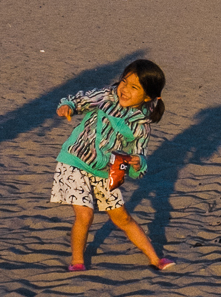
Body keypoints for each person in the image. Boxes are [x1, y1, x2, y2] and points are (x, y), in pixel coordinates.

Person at [53, 60, 172, 272]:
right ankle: (78, 262)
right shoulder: (106, 97)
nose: (124, 89)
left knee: (123, 217)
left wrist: (138, 162)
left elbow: (139, 158)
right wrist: (68, 106)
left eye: (134, 87)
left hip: (107, 170)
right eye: (124, 81)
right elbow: (78, 100)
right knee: (85, 214)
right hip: (75, 160)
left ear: (147, 97)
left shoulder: (141, 125)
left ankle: (155, 258)